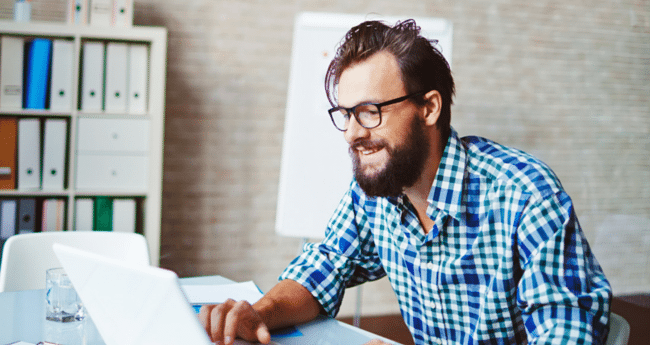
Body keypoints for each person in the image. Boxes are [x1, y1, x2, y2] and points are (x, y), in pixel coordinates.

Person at [199, 19, 612, 345]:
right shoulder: (376, 191)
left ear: (429, 108)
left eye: (370, 111)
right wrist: (261, 312)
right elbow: (323, 267)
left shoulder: (526, 196)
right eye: (345, 114)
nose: (352, 134)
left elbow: (565, 333)